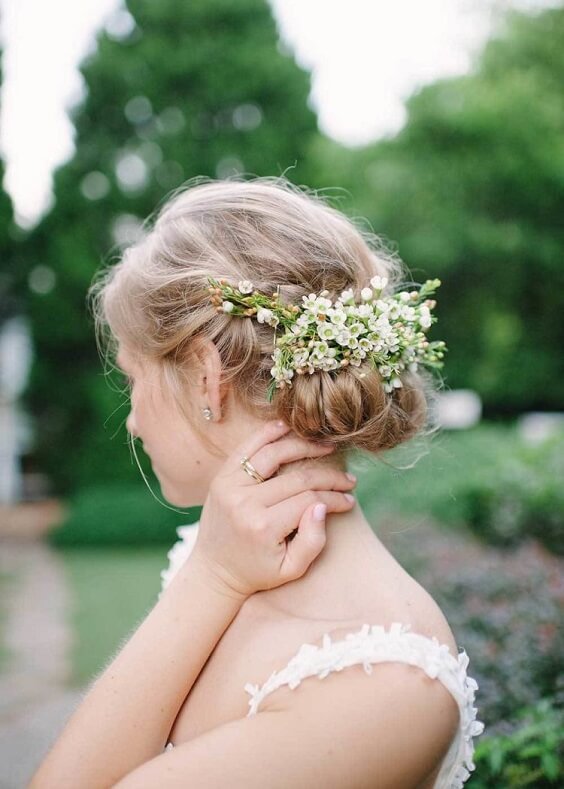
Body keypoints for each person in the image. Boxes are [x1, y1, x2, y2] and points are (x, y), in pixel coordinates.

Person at [31, 176, 484, 788]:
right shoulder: (217, 555)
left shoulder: (384, 688)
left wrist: (211, 579)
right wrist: (210, 577)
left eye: (133, 378)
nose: (133, 421)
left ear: (204, 375)